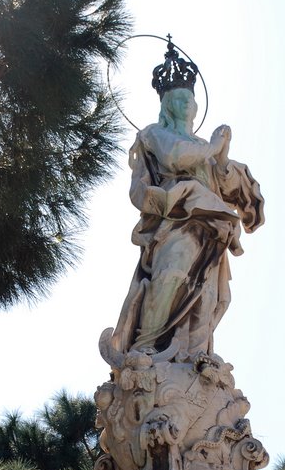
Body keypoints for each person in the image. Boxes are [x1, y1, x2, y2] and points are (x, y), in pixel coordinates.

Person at [111, 71, 264, 359]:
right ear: (167, 104)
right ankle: (146, 346)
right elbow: (174, 157)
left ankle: (194, 360)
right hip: (178, 214)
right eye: (179, 99)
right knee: (171, 273)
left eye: (189, 100)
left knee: (207, 293)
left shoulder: (204, 146)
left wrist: (221, 158)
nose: (186, 104)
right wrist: (213, 147)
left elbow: (228, 186)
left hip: (213, 222)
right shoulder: (155, 133)